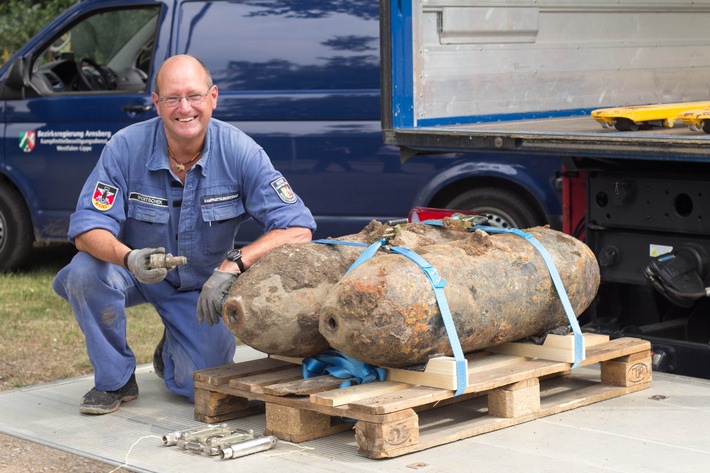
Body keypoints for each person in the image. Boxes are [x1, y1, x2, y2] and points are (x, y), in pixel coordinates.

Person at [52, 54, 316, 415]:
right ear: (157, 103)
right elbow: (87, 230)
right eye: (173, 98)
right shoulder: (124, 147)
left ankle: (172, 347)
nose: (185, 108)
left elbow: (299, 228)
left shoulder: (240, 151)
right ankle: (114, 380)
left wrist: (233, 265)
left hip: (201, 289)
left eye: (194, 96)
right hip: (134, 274)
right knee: (85, 272)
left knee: (201, 387)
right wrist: (127, 257)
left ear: (213, 98)